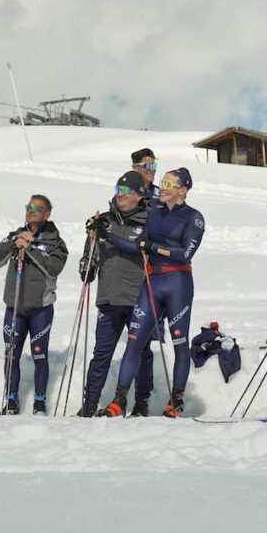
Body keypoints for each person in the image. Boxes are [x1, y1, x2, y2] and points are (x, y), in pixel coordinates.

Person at [100, 168, 204, 418]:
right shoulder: (155, 212)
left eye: (169, 183)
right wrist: (108, 235)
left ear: (183, 190)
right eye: (162, 182)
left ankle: (176, 401)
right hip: (153, 282)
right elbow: (139, 246)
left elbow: (186, 253)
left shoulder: (193, 217)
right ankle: (119, 400)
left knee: (180, 343)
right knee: (134, 341)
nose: (163, 186)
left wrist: (154, 247)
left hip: (178, 282)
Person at [77, 171, 155, 417]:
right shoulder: (105, 220)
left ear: (139, 195)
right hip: (109, 299)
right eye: (117, 190)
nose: (120, 195)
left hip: (138, 299)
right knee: (101, 354)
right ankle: (89, 404)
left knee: (142, 353)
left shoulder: (149, 220)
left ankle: (141, 401)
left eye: (126, 191)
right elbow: (87, 267)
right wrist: (91, 242)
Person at [0, 195, 68, 415]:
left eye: (37, 208)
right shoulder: (16, 235)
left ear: (47, 214)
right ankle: (11, 402)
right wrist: (13, 243)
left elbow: (53, 268)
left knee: (39, 354)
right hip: (14, 308)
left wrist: (31, 248)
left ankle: (40, 403)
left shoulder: (55, 242)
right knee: (11, 354)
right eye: (29, 206)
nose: (31, 211)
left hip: (40, 309)